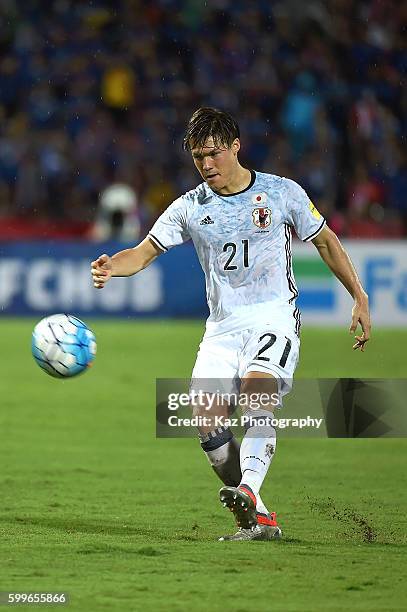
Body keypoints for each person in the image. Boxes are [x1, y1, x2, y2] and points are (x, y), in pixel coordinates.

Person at [90, 107, 371, 542]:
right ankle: (256, 518)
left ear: (236, 147)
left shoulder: (281, 194)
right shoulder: (189, 206)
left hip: (273, 315)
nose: (206, 165)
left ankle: (248, 491)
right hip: (221, 328)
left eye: (213, 154)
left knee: (259, 396)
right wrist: (113, 266)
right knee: (207, 422)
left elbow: (326, 240)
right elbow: (144, 251)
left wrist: (359, 294)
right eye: (198, 157)